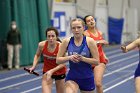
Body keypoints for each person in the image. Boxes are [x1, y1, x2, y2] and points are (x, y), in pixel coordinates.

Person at [56, 18, 99, 93]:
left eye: (79, 27)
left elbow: (96, 62)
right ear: (71, 29)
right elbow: (58, 60)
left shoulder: (90, 41)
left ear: (84, 28)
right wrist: (69, 57)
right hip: (72, 77)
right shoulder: (66, 41)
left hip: (87, 77)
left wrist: (83, 59)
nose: (76, 30)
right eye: (73, 28)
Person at [29, 27, 67, 93]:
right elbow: (37, 55)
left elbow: (63, 63)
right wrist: (33, 66)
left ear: (56, 36)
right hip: (47, 72)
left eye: (53, 36)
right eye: (48, 36)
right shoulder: (42, 45)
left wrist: (52, 71)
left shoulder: (61, 46)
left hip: (59, 72)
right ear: (46, 37)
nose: (51, 38)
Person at [83, 15, 109, 93]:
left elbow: (100, 48)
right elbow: (87, 44)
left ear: (95, 21)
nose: (91, 21)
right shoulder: (85, 34)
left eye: (92, 19)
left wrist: (104, 55)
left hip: (99, 60)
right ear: (86, 24)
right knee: (87, 86)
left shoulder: (99, 32)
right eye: (88, 21)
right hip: (88, 61)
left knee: (98, 83)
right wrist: (99, 41)